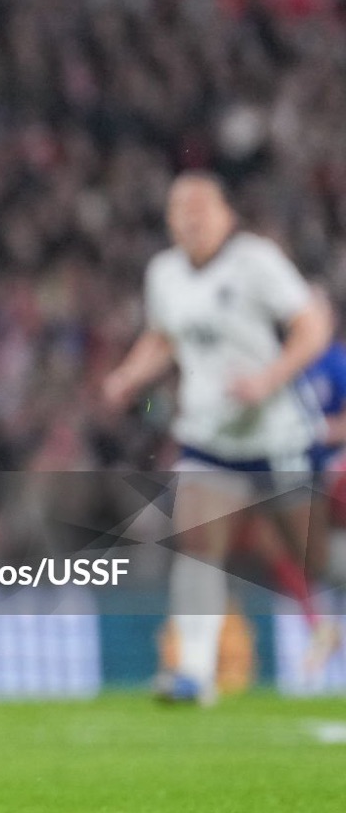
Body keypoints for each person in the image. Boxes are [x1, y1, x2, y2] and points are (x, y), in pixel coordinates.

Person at [101, 172, 335, 705]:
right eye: (181, 209)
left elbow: (312, 325)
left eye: (202, 207)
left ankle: (325, 625)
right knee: (198, 545)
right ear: (169, 221)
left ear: (226, 214)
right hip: (208, 437)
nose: (192, 218)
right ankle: (194, 672)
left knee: (311, 560)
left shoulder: (256, 261)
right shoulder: (164, 273)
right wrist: (128, 376)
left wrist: (268, 380)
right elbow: (163, 336)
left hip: (277, 434)